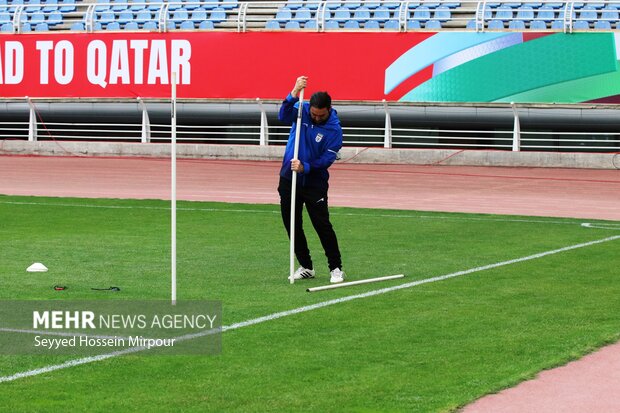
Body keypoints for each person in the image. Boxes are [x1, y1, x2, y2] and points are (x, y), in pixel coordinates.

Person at [277, 76, 345, 284]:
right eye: (313, 114)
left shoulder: (334, 129)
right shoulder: (302, 109)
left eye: (320, 115)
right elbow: (282, 116)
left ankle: (336, 267)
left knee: (322, 225)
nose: (315, 118)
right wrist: (294, 92)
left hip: (314, 182)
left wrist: (306, 167)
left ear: (328, 110)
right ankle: (306, 266)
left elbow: (327, 158)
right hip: (289, 177)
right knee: (292, 224)